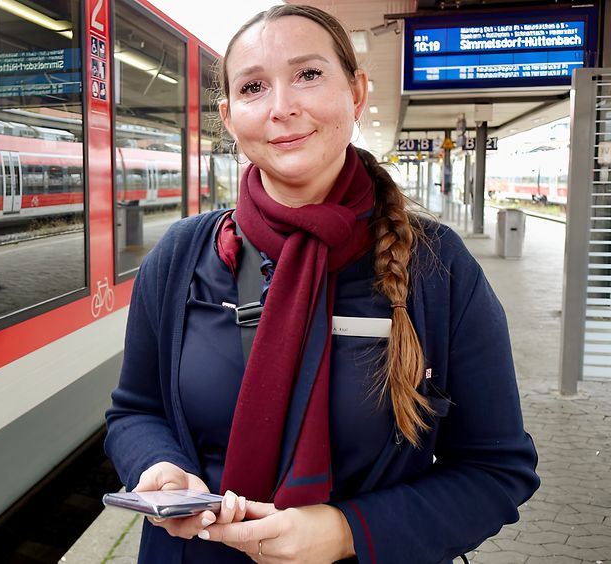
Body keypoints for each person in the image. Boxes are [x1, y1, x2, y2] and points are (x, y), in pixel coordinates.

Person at [104, 5, 539, 564]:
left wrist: (344, 531)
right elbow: (134, 410)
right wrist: (157, 467)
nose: (283, 106)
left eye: (308, 75)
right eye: (254, 87)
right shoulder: (181, 256)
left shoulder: (438, 268)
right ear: (230, 116)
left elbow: (496, 471)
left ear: (357, 94)